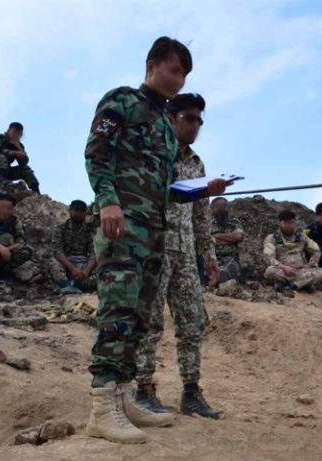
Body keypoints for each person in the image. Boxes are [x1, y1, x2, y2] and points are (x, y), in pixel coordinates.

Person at [84, 36, 192, 444]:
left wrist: (202, 188)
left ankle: (124, 397)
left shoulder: (166, 127)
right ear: (152, 65)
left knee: (141, 318)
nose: (179, 81)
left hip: (154, 234)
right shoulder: (122, 100)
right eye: (175, 70)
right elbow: (97, 152)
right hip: (122, 227)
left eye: (184, 74)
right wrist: (108, 202)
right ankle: (100, 408)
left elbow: (166, 187)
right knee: (117, 312)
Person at [135, 93, 226, 420]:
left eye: (200, 120)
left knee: (192, 321)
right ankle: (143, 389)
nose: (196, 126)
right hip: (153, 248)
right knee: (150, 322)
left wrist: (209, 253)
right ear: (172, 117)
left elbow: (201, 215)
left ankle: (191, 392)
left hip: (186, 252)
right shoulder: (155, 152)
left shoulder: (197, 163)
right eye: (190, 118)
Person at [263, 210, 322, 293]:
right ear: (280, 223)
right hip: (282, 271)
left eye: (292, 222)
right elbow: (268, 256)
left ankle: (291, 285)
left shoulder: (302, 236)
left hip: (300, 271)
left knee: (320, 272)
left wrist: (311, 265)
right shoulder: (272, 238)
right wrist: (283, 267)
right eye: (286, 222)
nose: (289, 225)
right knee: (269, 271)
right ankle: (302, 284)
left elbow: (316, 250)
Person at [48, 200, 97, 295]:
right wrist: (73, 269)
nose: (79, 213)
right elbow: (57, 251)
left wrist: (86, 271)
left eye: (82, 211)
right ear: (70, 211)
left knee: (103, 268)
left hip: (84, 264)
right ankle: (66, 284)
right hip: (67, 263)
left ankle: (80, 285)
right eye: (76, 210)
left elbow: (94, 252)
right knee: (53, 263)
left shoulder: (89, 230)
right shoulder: (60, 228)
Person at [0, 122, 40, 193]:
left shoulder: (19, 145)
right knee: (1, 157)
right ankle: (5, 182)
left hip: (6, 170)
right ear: (8, 131)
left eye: (19, 134)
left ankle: (35, 190)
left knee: (26, 169)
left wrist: (19, 148)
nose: (16, 135)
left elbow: (24, 162)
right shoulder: (0, 137)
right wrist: (14, 153)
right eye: (14, 132)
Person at [210, 197, 244, 284]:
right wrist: (230, 239)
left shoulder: (234, 223)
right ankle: (221, 276)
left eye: (223, 205)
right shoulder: (208, 225)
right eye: (218, 206)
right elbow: (207, 240)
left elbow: (238, 237)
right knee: (213, 269)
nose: (221, 208)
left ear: (227, 208)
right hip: (214, 259)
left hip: (231, 258)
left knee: (231, 267)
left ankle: (223, 276)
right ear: (213, 209)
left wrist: (216, 236)